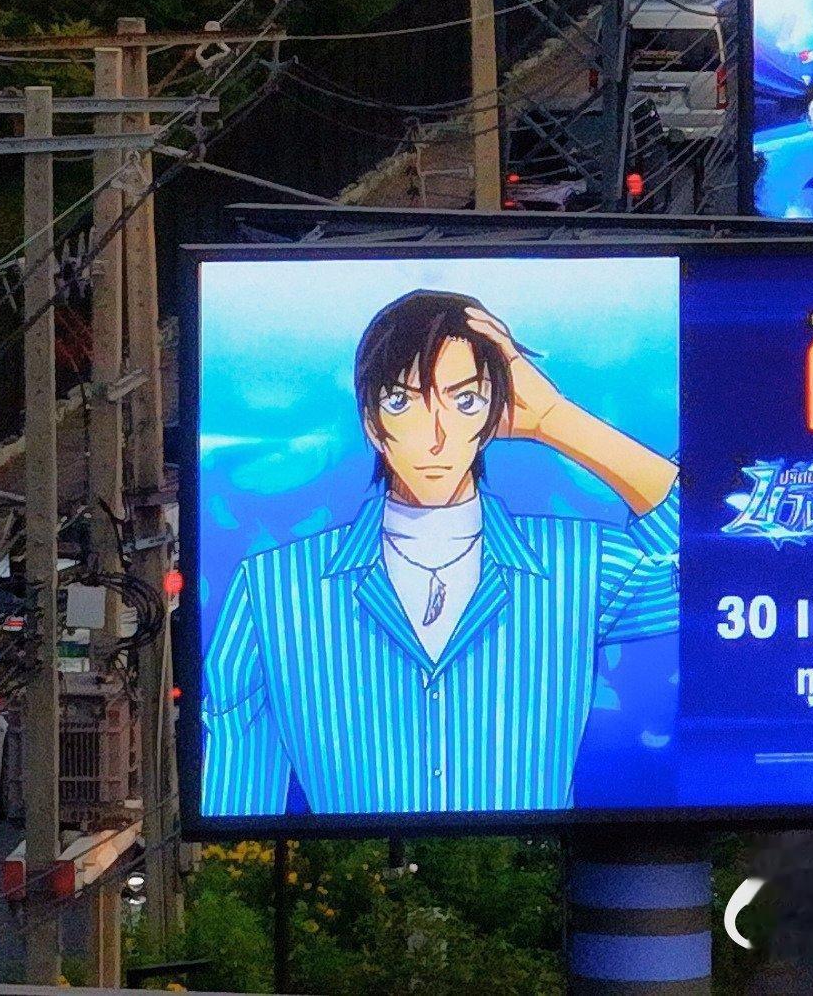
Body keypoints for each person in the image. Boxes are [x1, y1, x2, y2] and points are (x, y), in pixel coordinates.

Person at [198, 291, 679, 818]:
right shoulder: (273, 589)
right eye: (402, 401)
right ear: (370, 421)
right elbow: (237, 802)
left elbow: (726, 556)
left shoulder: (577, 564)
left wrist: (554, 420)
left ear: (495, 412)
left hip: (532, 874)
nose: (435, 436)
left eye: (465, 401)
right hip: (357, 888)